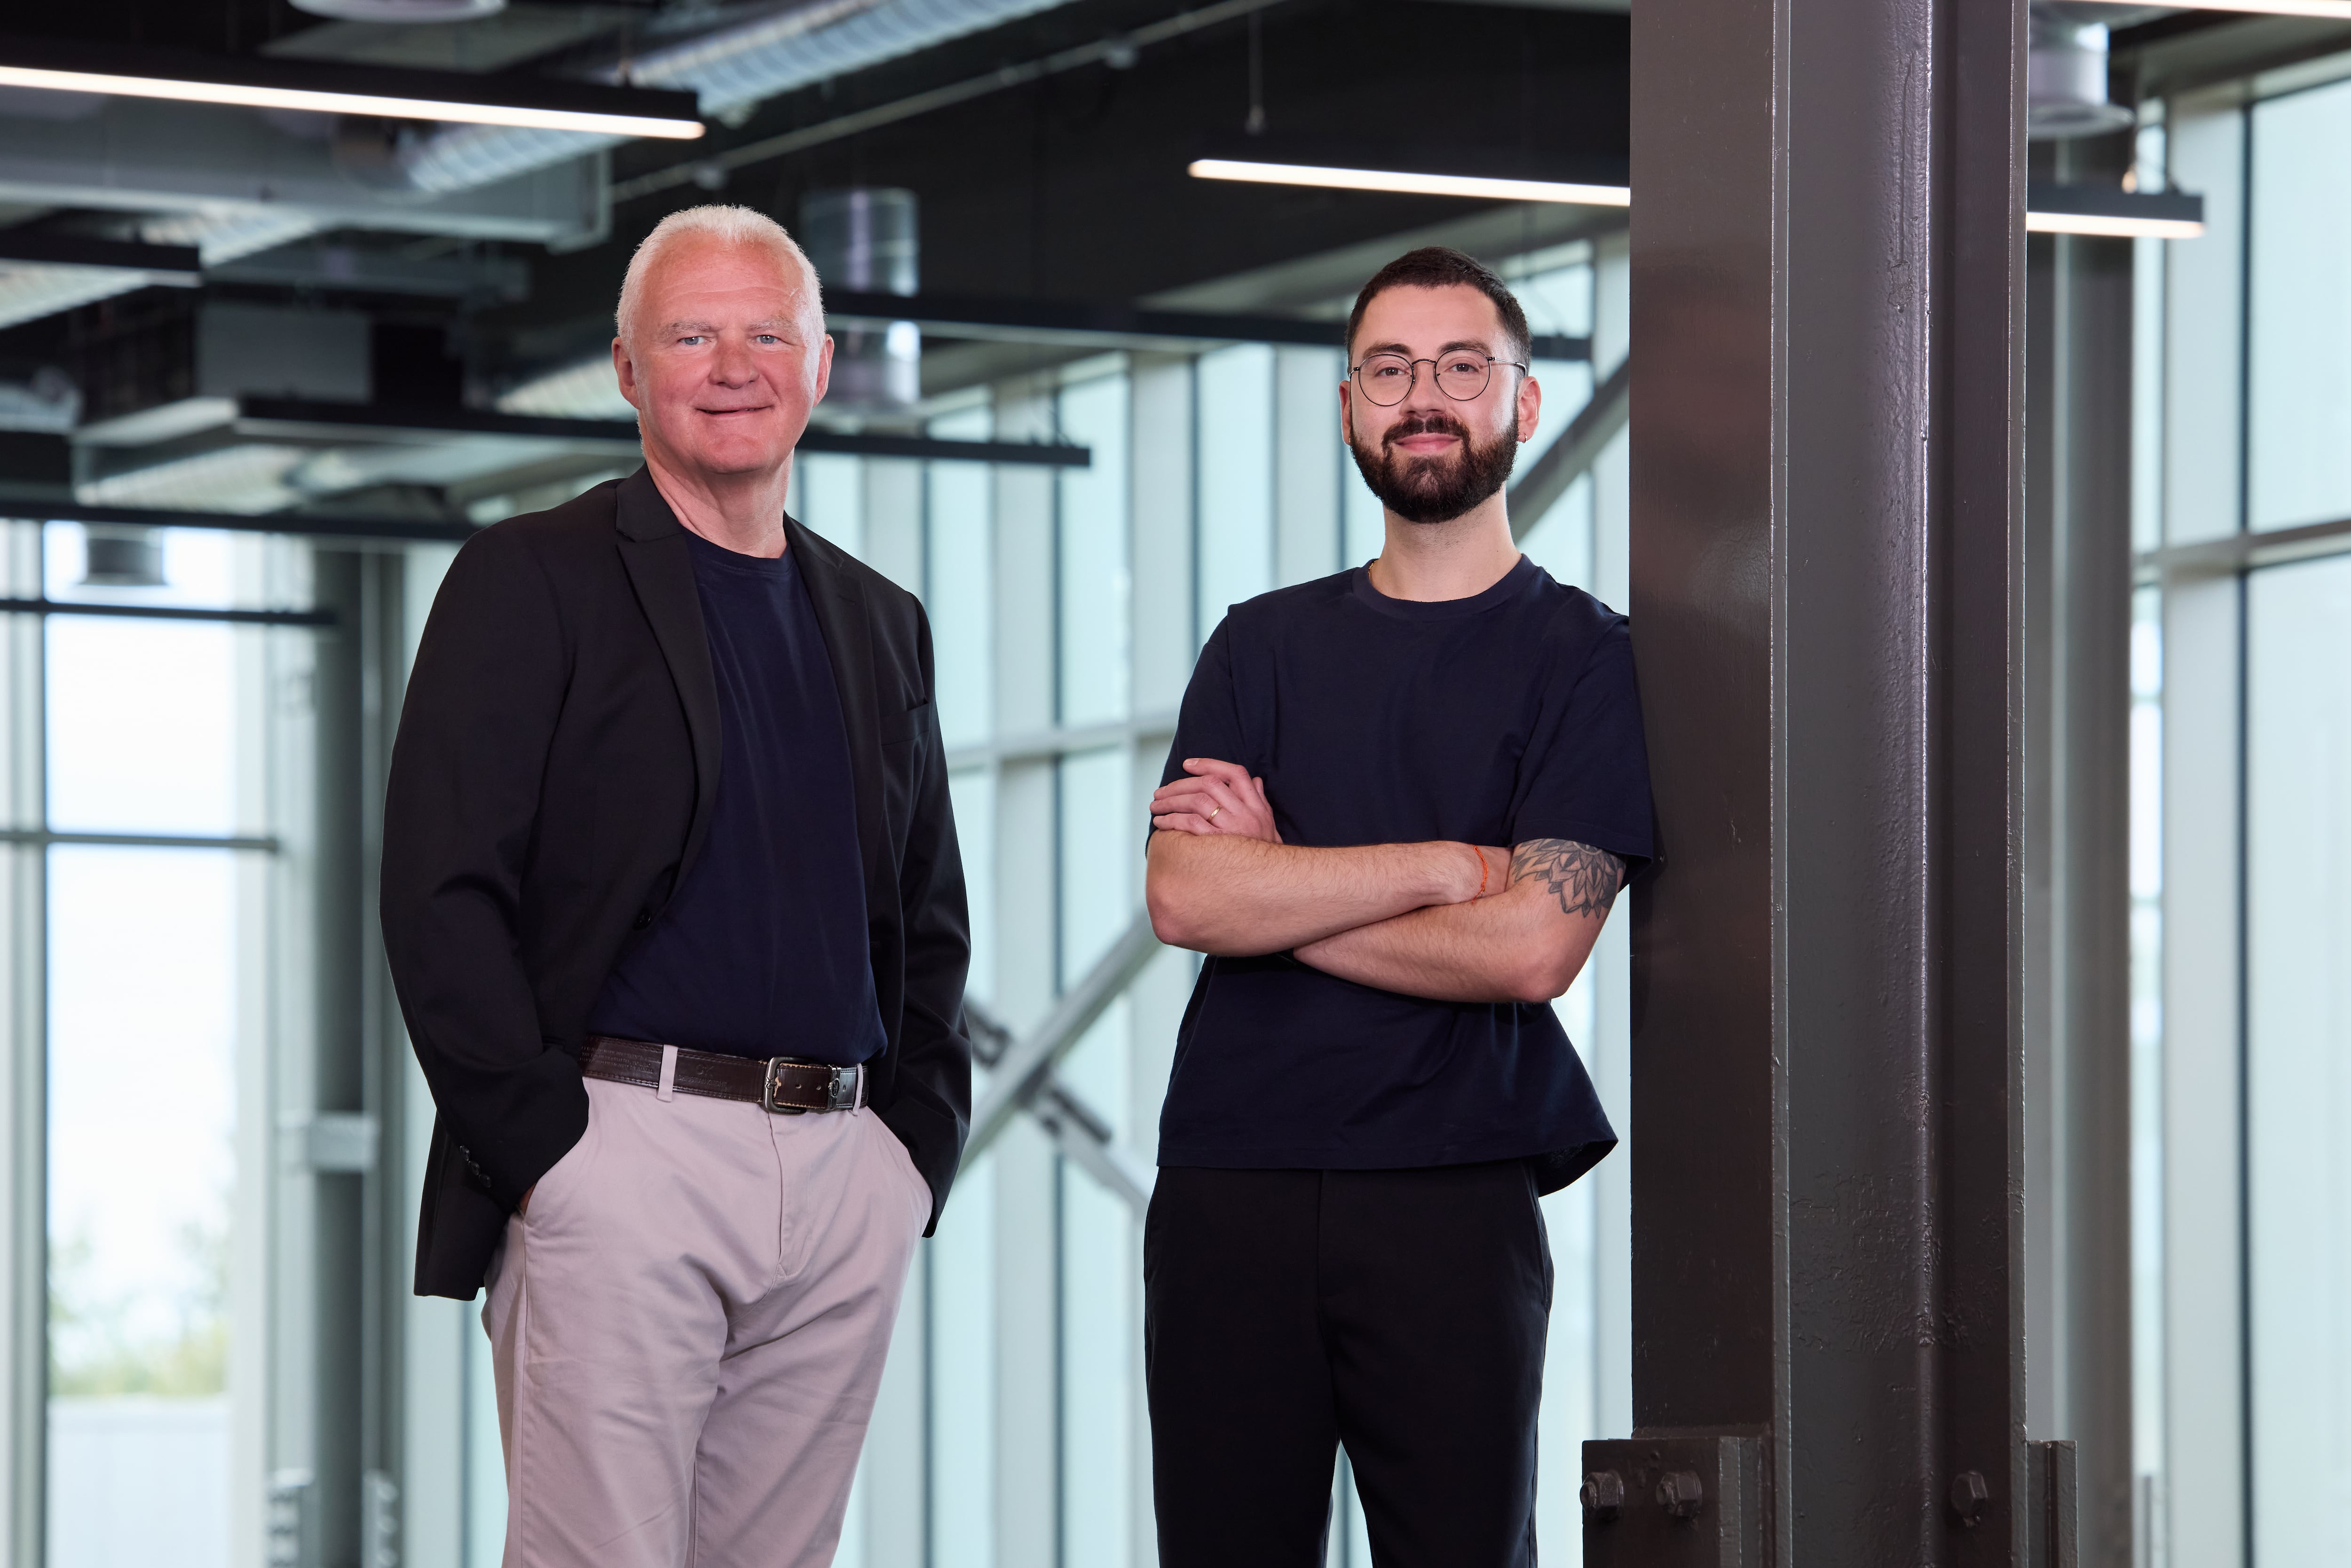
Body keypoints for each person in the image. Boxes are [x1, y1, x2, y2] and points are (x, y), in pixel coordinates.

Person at [380, 204, 969, 1568]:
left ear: (821, 367)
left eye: (769, 333)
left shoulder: (881, 619)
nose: (734, 364)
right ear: (629, 370)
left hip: (842, 1168)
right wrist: (549, 1153)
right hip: (620, 1145)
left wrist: (909, 1153)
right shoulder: (530, 579)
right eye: (692, 335)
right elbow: (439, 889)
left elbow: (925, 921)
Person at [1142, 246, 1654, 1567]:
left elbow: (1537, 945)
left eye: (1462, 366)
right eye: (1390, 368)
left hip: (1452, 1194)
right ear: (1351, 406)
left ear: (1524, 405)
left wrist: (1289, 882)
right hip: (1231, 1186)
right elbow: (1189, 893)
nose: (1423, 396)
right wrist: (1444, 864)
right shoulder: (1259, 644)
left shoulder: (1588, 659)